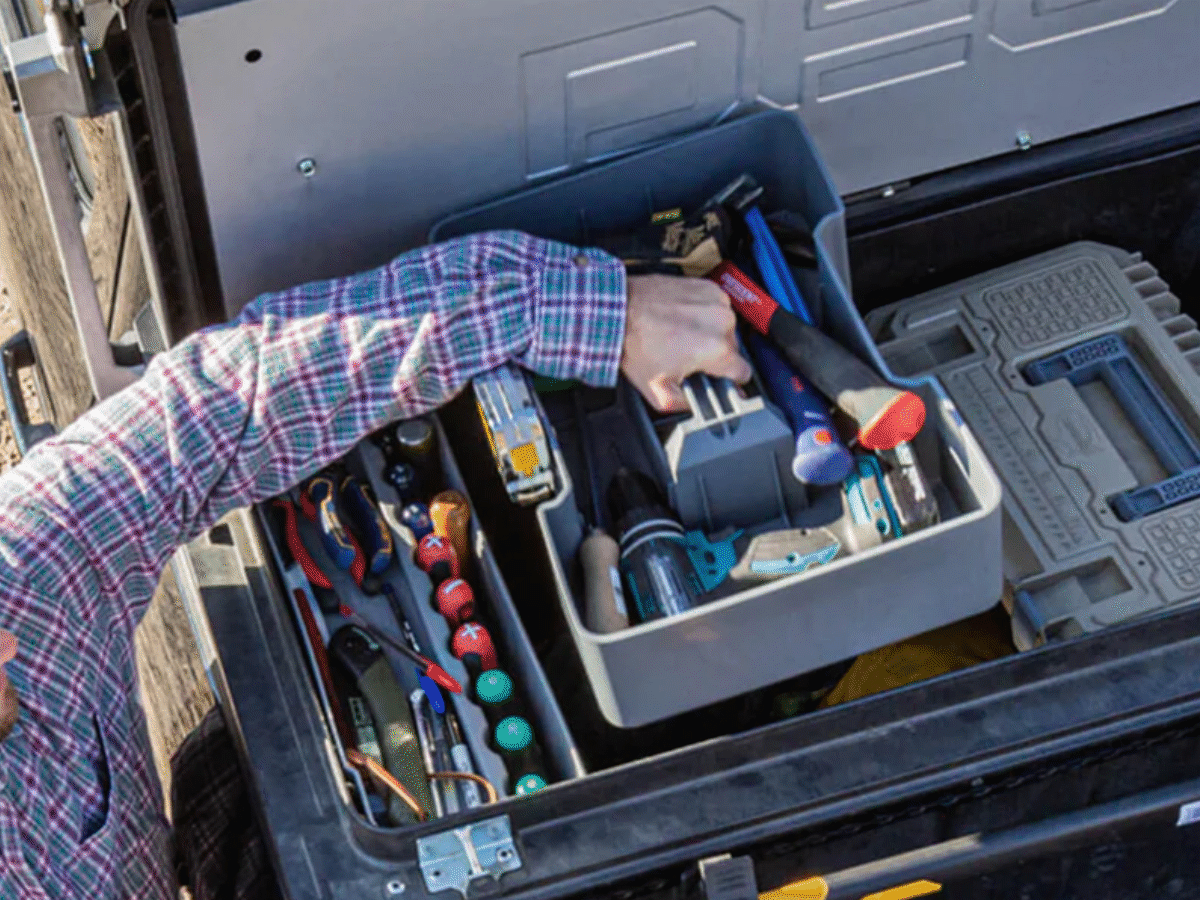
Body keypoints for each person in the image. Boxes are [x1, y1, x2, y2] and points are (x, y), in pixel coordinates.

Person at [0, 231, 750, 899]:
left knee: (239, 779)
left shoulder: (22, 583)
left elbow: (231, 400)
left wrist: (591, 310)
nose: (7, 643)